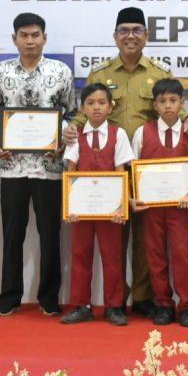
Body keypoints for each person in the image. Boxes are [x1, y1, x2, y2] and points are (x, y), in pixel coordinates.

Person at [63, 7, 188, 318]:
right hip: (107, 167)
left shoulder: (159, 72)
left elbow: (173, 106)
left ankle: (143, 296)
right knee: (113, 236)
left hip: (148, 167)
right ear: (115, 36)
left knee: (146, 238)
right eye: (124, 30)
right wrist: (71, 128)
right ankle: (115, 300)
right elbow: (85, 112)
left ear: (146, 36)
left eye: (137, 30)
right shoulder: (100, 74)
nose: (130, 36)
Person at [0, 12, 75, 317]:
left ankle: (49, 296)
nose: (30, 41)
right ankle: (9, 296)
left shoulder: (60, 72)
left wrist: (62, 140)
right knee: (12, 233)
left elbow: (70, 114)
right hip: (12, 166)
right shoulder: (0, 72)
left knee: (50, 234)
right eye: (23, 35)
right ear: (14, 39)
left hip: (49, 168)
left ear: (44, 38)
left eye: (35, 35)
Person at [60, 83, 134, 325]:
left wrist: (121, 208)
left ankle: (114, 306)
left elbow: (121, 171)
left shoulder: (118, 134)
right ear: (82, 108)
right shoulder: (76, 136)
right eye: (90, 103)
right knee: (80, 255)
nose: (96, 108)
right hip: (81, 210)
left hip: (110, 210)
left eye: (102, 102)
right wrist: (70, 207)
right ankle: (81, 305)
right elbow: (71, 171)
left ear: (111, 106)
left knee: (112, 257)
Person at [131, 78, 188, 327]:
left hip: (179, 208)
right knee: (155, 255)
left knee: (182, 255)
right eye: (162, 101)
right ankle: (163, 304)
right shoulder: (142, 132)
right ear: (154, 105)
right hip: (151, 207)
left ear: (182, 103)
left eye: (173, 101)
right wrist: (134, 197)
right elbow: (134, 170)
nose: (168, 106)